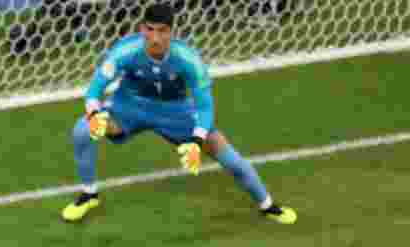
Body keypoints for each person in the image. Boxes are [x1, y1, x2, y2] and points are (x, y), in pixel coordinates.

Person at [62, 2, 297, 224]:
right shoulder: (125, 51)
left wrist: (196, 140)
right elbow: (94, 91)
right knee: (82, 130)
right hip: (129, 107)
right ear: (141, 28)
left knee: (224, 152)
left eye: (162, 31)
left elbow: (205, 107)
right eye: (149, 30)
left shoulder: (188, 60)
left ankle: (267, 205)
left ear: (172, 32)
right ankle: (89, 194)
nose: (155, 38)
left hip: (175, 112)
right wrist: (93, 115)